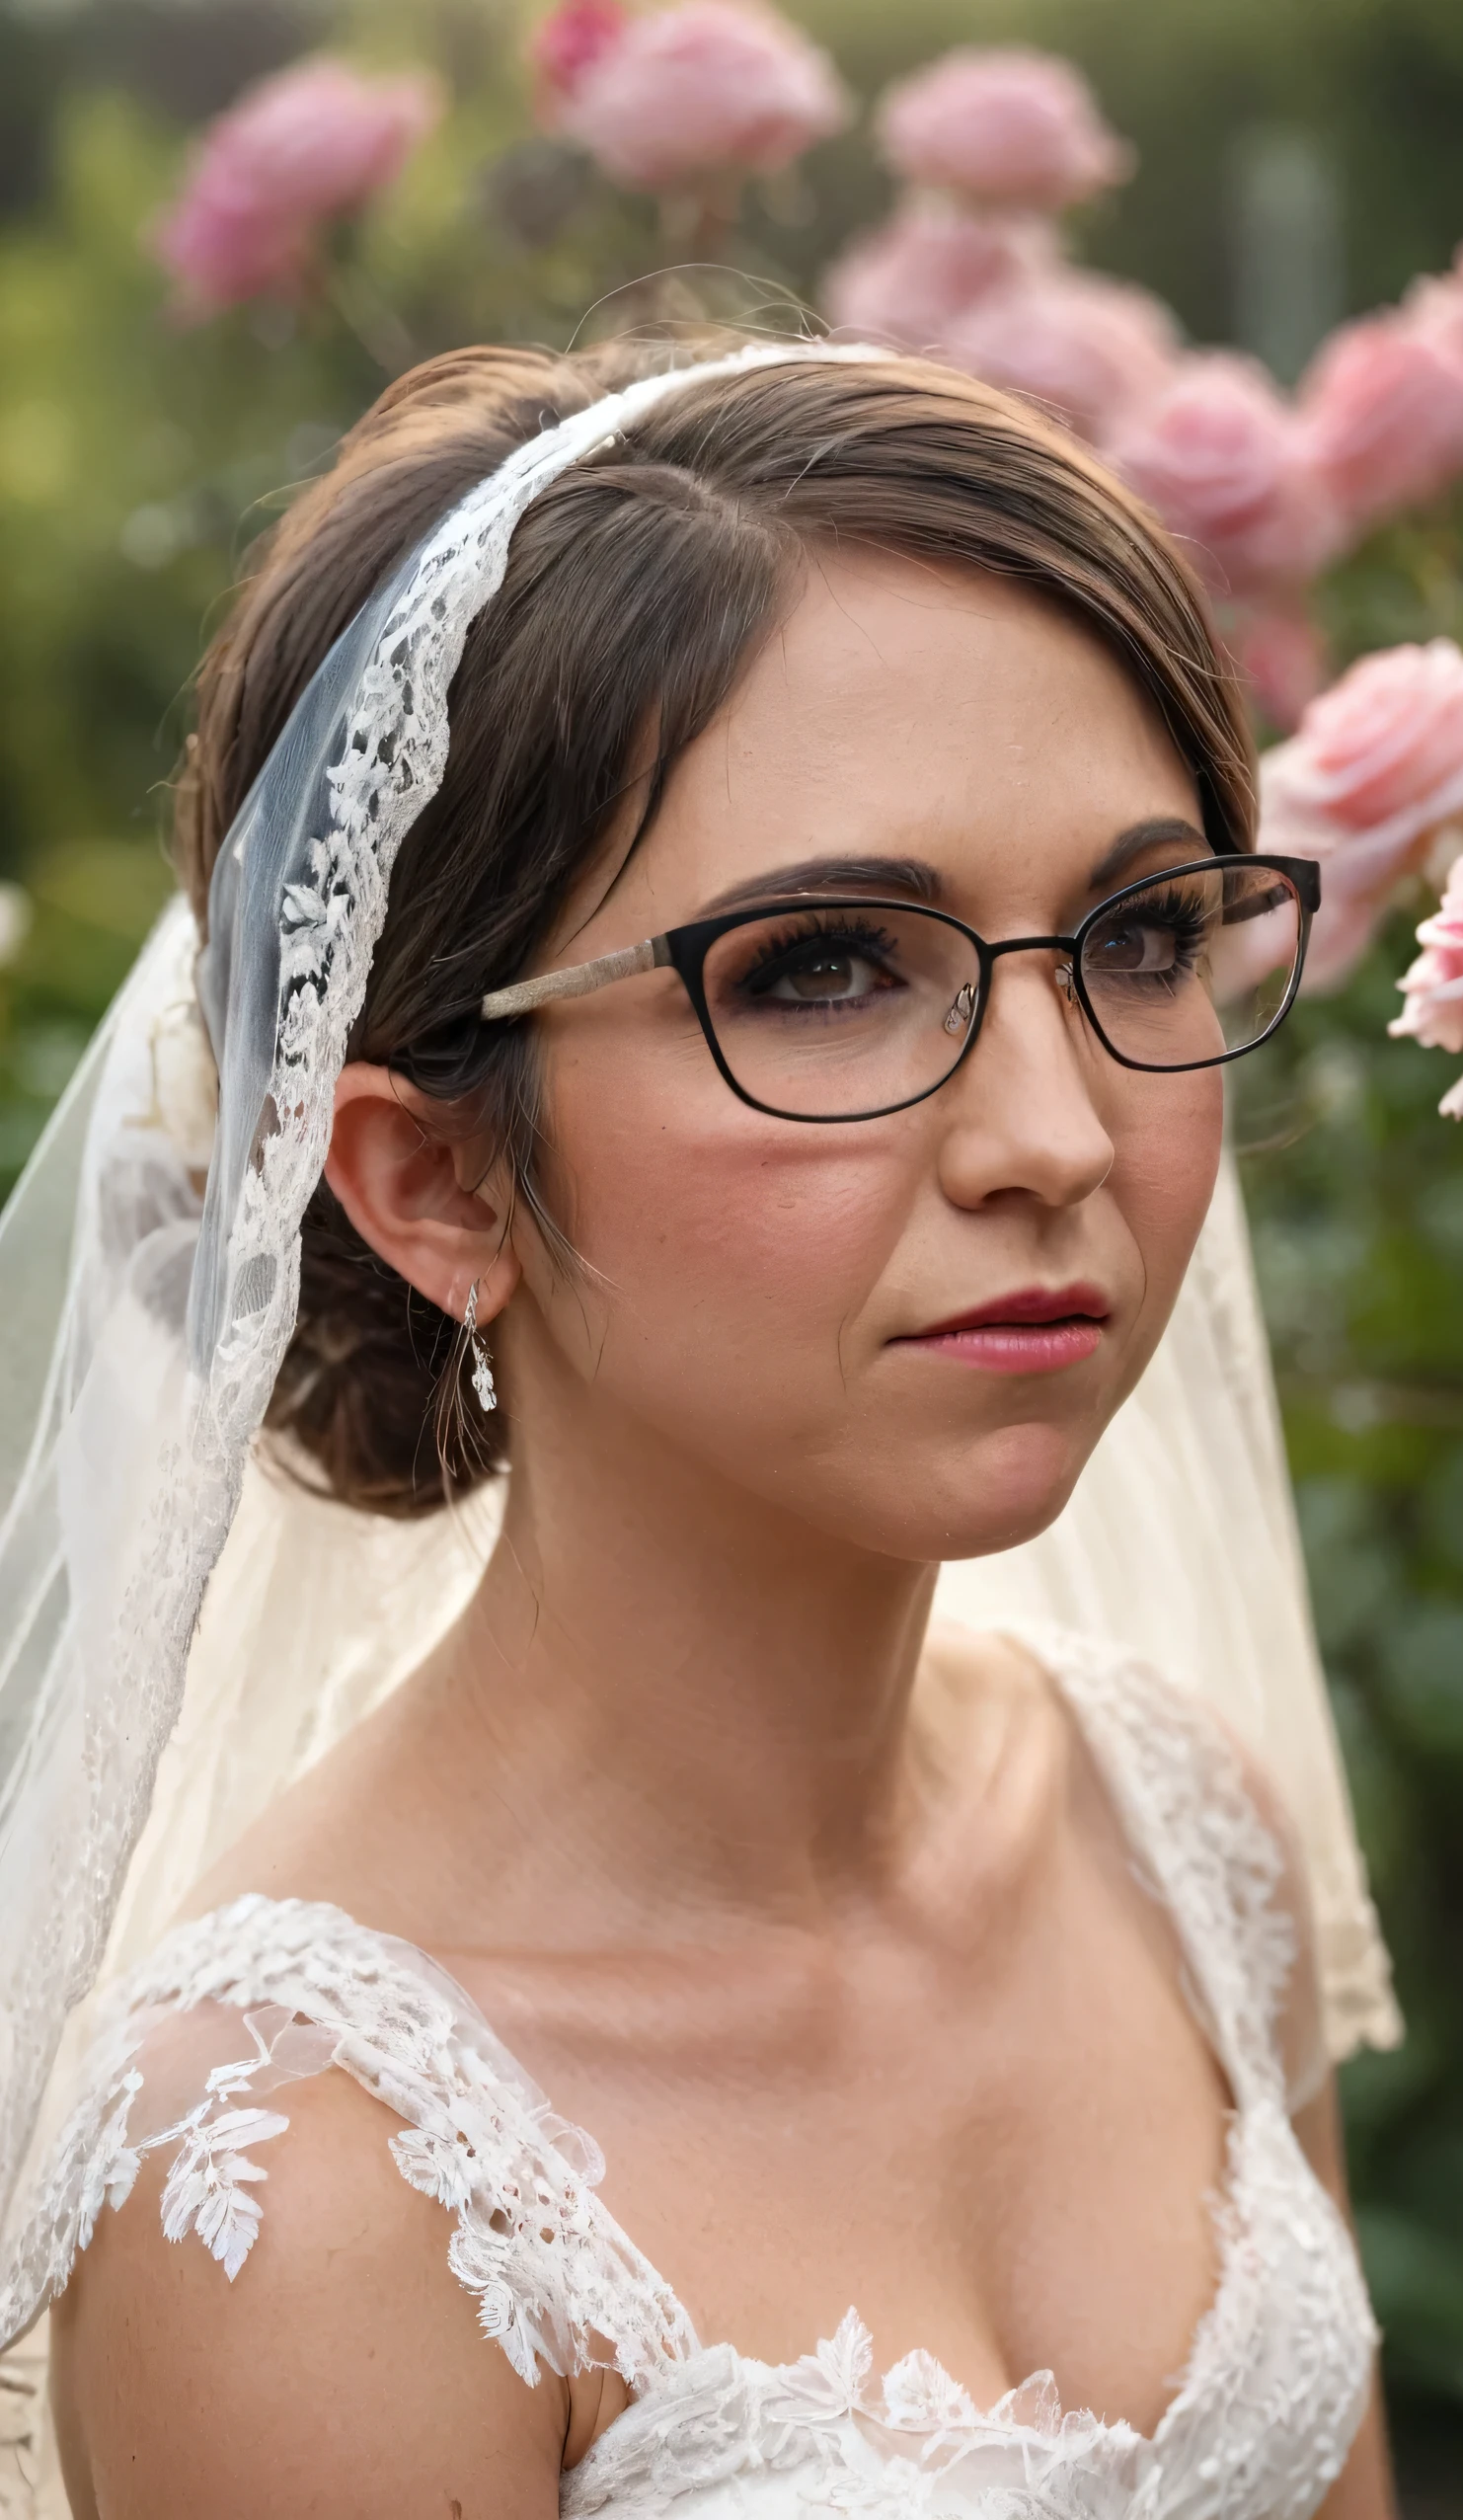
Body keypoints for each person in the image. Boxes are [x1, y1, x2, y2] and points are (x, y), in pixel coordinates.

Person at [0, 335, 1392, 2516]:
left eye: (1132, 934)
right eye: (823, 965)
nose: (1053, 1133)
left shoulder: (1172, 1830)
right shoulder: (313, 2181)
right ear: (437, 1180)